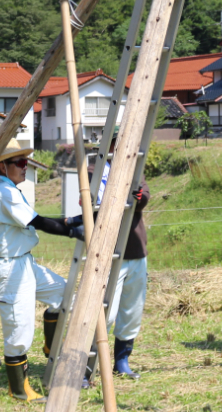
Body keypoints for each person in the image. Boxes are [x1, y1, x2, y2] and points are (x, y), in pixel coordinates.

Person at [0, 140, 84, 401]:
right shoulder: (2, 193)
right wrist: (74, 231)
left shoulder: (11, 190)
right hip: (10, 268)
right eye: (19, 162)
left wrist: (75, 220)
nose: (25, 166)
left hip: (25, 263)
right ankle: (19, 390)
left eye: (25, 161)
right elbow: (38, 222)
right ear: (2, 166)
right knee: (19, 330)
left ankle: (51, 346)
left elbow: (36, 217)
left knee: (63, 293)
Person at [90, 135, 149, 379]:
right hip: (108, 251)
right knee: (107, 312)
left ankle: (122, 360)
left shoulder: (135, 167)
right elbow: (99, 201)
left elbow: (144, 196)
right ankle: (90, 363)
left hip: (135, 248)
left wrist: (137, 195)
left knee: (131, 309)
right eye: (118, 140)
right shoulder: (94, 168)